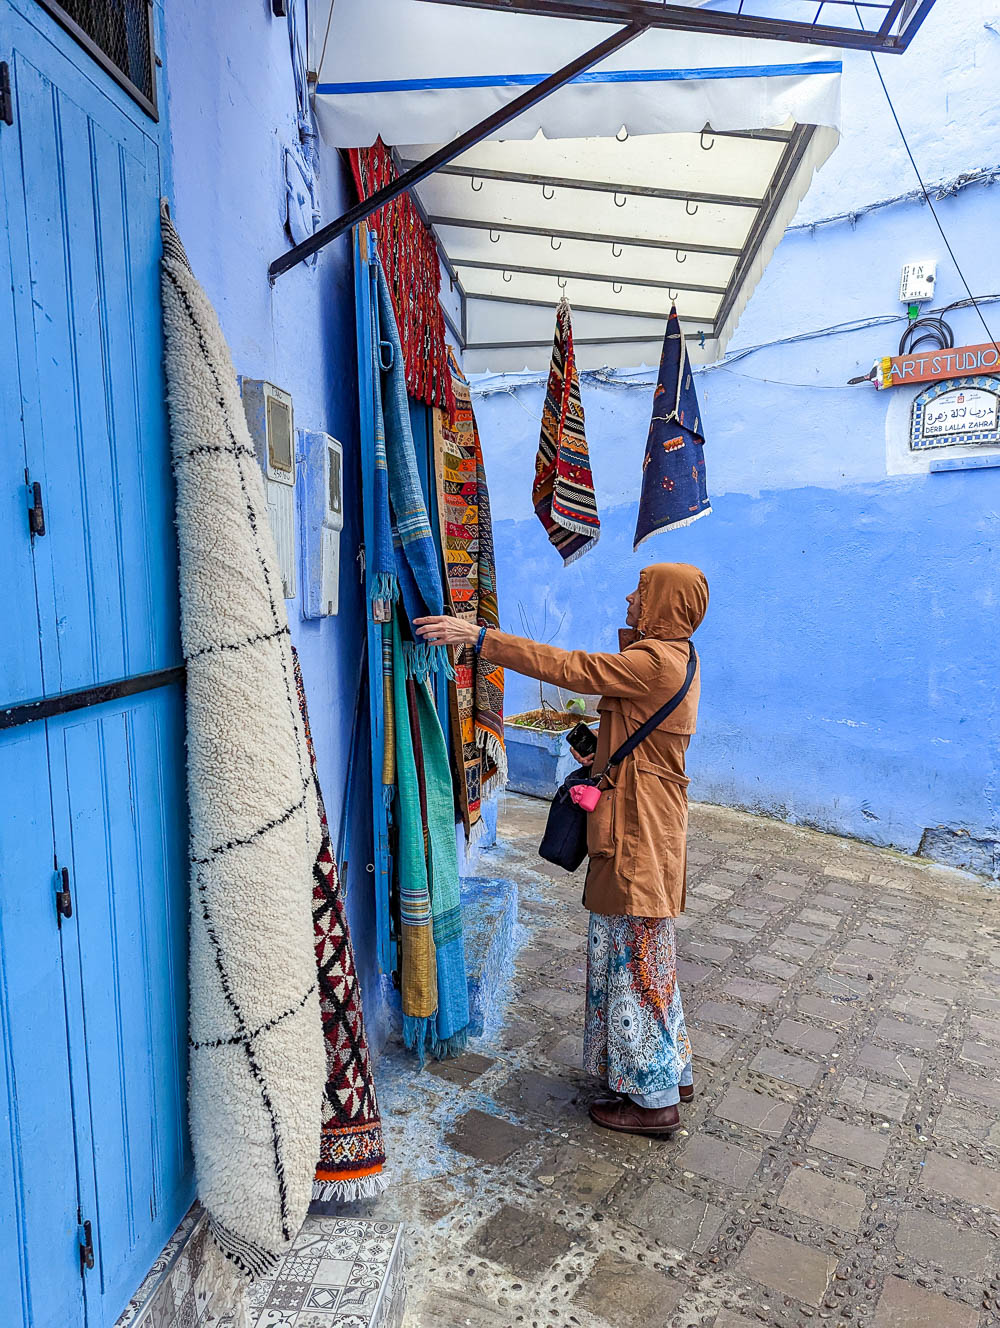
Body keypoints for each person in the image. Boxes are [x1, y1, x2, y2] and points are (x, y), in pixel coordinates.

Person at [415, 561, 708, 1139]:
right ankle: (668, 1071)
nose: (630, 596)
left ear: (666, 604)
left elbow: (571, 668)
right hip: (650, 820)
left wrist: (479, 639)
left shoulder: (652, 661)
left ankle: (653, 1101)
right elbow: (643, 735)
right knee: (647, 953)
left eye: (642, 591)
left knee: (634, 956)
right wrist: (601, 751)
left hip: (639, 831)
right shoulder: (679, 658)